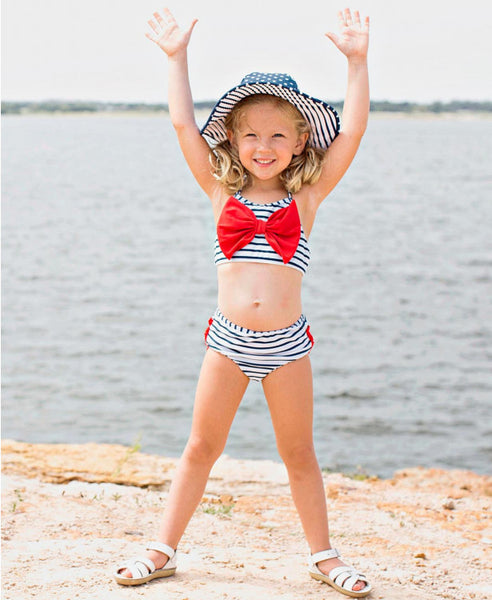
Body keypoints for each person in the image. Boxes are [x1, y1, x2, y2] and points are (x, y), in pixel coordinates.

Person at [115, 6, 371, 598]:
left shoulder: (308, 197)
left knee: (299, 453)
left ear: (301, 138)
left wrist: (357, 62)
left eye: (279, 134)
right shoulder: (218, 189)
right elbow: (183, 126)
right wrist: (176, 58)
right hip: (227, 341)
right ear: (232, 135)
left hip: (287, 344)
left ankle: (324, 556)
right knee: (201, 447)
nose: (264, 146)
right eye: (251, 133)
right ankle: (162, 547)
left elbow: (353, 131)